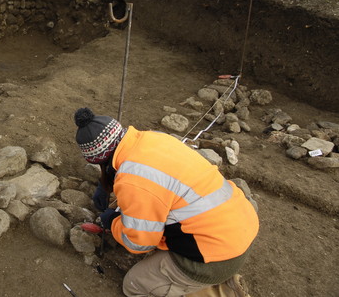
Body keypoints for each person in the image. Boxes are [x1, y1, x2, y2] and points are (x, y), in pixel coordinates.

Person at [74, 107, 258, 297]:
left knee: (134, 284)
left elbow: (139, 243)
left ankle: (217, 291)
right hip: (239, 226)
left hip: (213, 257)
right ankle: (215, 280)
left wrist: (113, 222)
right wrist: (107, 186)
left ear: (99, 159)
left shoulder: (133, 179)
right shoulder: (152, 138)